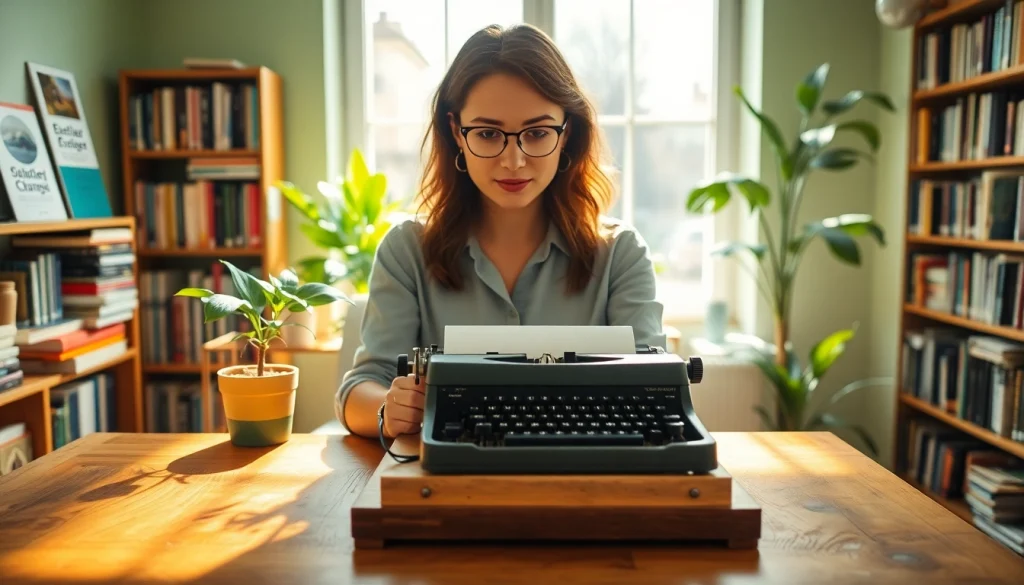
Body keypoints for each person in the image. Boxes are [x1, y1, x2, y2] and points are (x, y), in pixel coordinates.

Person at [335, 23, 666, 440]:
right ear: (456, 132)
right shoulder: (407, 251)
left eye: (537, 133)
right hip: (448, 473)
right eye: (488, 134)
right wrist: (390, 407)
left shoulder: (622, 255)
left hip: (587, 469)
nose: (513, 161)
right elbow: (360, 387)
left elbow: (657, 385)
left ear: (567, 133)